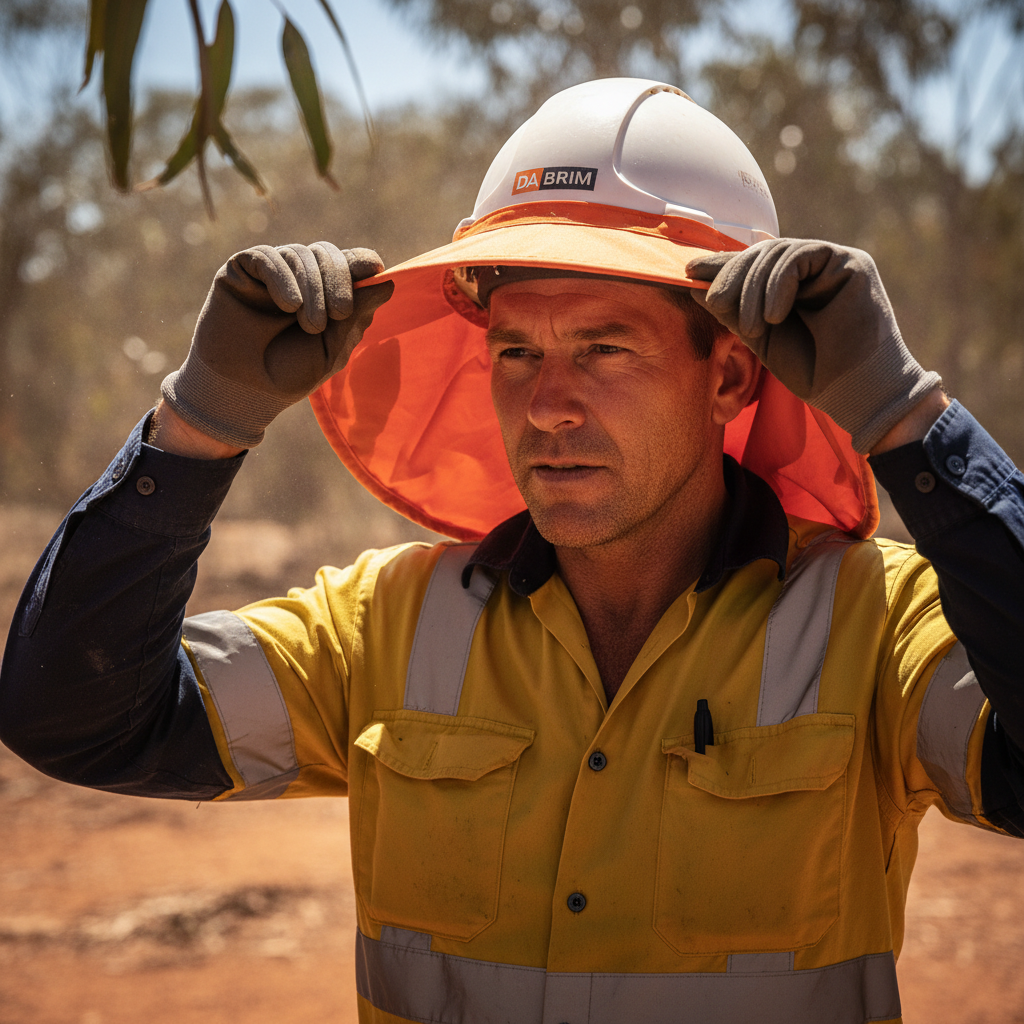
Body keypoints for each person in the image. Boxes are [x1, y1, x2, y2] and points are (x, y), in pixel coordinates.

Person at [2, 78, 1023, 1024]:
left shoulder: (874, 627)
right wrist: (199, 421)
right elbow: (75, 718)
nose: (547, 405)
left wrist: (905, 414)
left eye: (604, 349)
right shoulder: (386, 624)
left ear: (729, 378)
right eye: (516, 351)